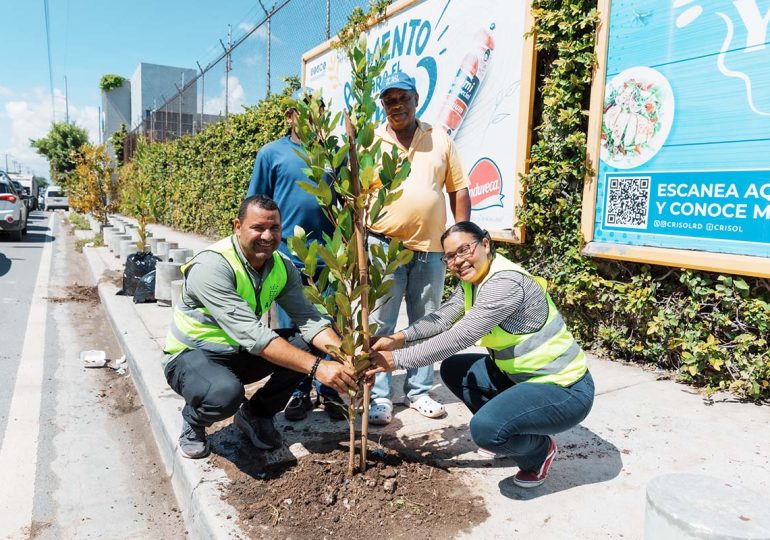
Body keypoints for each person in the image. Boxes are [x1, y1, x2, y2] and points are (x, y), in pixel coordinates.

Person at [367, 221, 594, 488]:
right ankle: (508, 432)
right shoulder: (473, 282)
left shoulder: (505, 283)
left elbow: (461, 335)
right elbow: (442, 319)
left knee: (485, 430)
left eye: (464, 250)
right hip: (522, 378)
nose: (458, 261)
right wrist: (395, 339)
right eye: (450, 256)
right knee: (454, 369)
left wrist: (396, 360)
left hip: (565, 388)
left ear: (485, 244)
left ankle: (538, 452)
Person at [162, 195, 358, 459]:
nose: (267, 236)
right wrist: (318, 367)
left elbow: (308, 318)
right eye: (258, 228)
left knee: (305, 342)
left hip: (239, 351)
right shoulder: (212, 266)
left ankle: (256, 414)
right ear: (237, 226)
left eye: (274, 228)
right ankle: (194, 420)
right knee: (224, 394)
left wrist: (345, 356)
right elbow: (255, 336)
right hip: (193, 356)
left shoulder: (281, 267)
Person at [367, 70, 471, 425]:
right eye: (389, 100)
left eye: (403, 98)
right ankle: (379, 396)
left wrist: (460, 236)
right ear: (383, 105)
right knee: (379, 324)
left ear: (416, 100)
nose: (397, 105)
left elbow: (458, 189)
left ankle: (419, 391)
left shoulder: (439, 139)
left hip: (431, 251)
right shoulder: (371, 143)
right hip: (382, 248)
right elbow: (356, 196)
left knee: (426, 324)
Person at [246, 87, 346, 422]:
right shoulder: (271, 154)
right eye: (300, 110)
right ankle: (298, 392)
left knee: (330, 328)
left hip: (331, 260)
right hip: (287, 259)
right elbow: (256, 208)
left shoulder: (335, 154)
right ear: (290, 116)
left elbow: (348, 205)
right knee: (292, 333)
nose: (308, 115)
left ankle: (332, 393)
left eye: (315, 108)